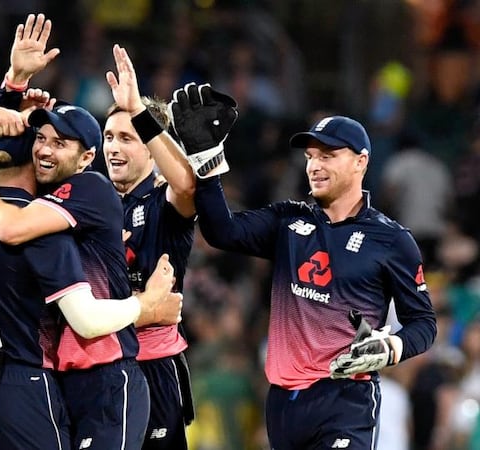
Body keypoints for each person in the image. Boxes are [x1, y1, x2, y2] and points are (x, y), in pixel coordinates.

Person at [177, 86, 437, 450]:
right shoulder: (288, 220)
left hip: (346, 398)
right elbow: (222, 231)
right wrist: (206, 161)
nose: (314, 165)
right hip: (284, 403)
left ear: (361, 162)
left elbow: (423, 323)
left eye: (328, 156)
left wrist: (392, 346)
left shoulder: (392, 240)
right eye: (311, 156)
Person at [0, 121, 181, 450]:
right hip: (65, 374)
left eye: (60, 143)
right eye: (40, 139)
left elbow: (7, 225)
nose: (45, 149)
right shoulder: (44, 211)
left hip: (109, 372)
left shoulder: (89, 187)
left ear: (86, 157)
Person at [103, 44, 197, 449]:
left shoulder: (164, 202)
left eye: (127, 138)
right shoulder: (96, 205)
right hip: (103, 363)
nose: (114, 147)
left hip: (153, 364)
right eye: (109, 137)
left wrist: (139, 111)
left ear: (150, 148)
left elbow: (188, 185)